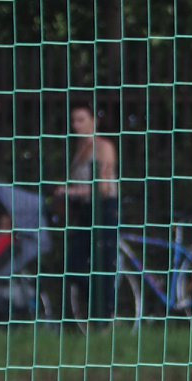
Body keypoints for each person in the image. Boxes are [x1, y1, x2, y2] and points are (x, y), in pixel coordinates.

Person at [55, 101, 120, 322]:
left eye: (81, 119)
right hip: (85, 211)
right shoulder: (79, 149)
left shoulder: (104, 147)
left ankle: (104, 313)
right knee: (74, 264)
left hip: (104, 209)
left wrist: (72, 192)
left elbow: (102, 186)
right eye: (74, 120)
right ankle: (96, 307)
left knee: (104, 262)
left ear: (94, 121)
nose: (76, 125)